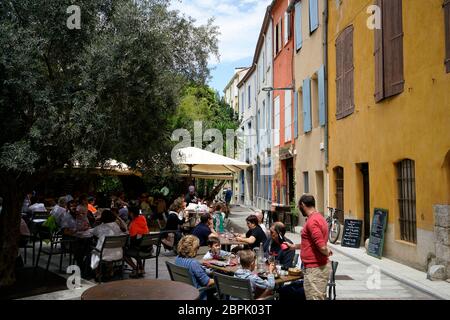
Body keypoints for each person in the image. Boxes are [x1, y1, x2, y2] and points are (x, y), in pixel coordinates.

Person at [286, 194, 332, 300]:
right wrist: (293, 247)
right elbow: (312, 243)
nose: (300, 210)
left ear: (303, 204)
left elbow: (321, 245)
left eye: (299, 207)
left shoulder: (312, 222)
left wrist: (327, 251)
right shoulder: (319, 218)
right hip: (315, 267)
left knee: (315, 298)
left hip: (315, 269)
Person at [175, 235, 215, 300]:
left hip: (184, 290)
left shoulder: (177, 258)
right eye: (197, 247)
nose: (198, 249)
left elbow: (189, 264)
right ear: (193, 248)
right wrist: (221, 280)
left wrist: (199, 263)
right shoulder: (193, 264)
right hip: (198, 293)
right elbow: (207, 282)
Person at [91, 210, 125, 280]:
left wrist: (95, 222)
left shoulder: (100, 227)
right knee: (109, 249)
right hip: (119, 254)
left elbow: (91, 231)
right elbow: (125, 230)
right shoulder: (116, 226)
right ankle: (110, 271)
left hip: (104, 255)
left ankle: (97, 274)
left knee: (94, 252)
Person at [125, 206, 149, 277]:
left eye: (128, 212)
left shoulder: (133, 224)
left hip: (141, 250)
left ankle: (135, 268)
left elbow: (132, 240)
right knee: (136, 247)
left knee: (125, 252)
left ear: (131, 213)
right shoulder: (142, 218)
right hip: (149, 248)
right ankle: (141, 268)